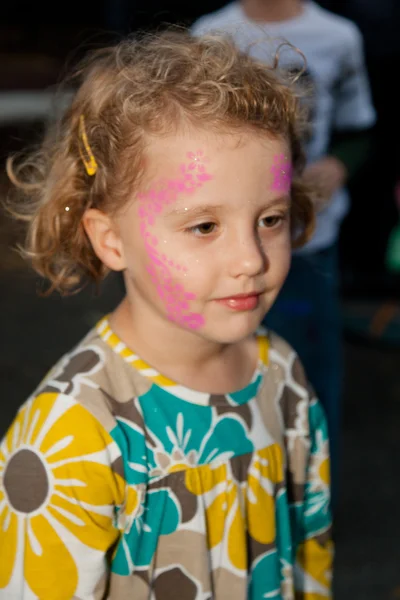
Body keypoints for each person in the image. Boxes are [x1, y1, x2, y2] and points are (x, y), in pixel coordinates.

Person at [0, 31, 332, 599]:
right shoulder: (69, 437)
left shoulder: (281, 373)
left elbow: (310, 557)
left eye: (270, 219)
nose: (250, 259)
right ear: (110, 240)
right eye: (204, 226)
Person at [191, 0, 376, 508]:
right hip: (228, 249)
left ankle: (311, 499)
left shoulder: (338, 36)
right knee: (229, 365)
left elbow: (358, 128)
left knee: (311, 366)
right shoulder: (213, 32)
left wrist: (337, 165)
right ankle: (236, 495)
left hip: (309, 246)